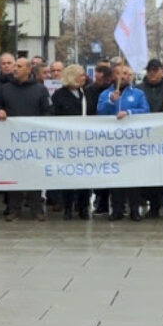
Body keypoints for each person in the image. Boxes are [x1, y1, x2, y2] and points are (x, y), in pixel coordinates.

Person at [0, 57, 52, 221]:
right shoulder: (5, 89)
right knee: (14, 174)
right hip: (11, 139)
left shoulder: (40, 89)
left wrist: (38, 124)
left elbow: (48, 111)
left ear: (28, 70)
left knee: (34, 173)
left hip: (33, 140)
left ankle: (37, 209)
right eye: (15, 66)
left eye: (19, 66)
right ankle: (13, 209)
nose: (15, 69)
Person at [98, 64, 150, 221]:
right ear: (114, 76)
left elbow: (146, 111)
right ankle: (117, 209)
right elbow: (100, 113)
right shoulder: (106, 94)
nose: (124, 76)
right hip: (113, 143)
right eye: (121, 73)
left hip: (133, 142)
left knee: (133, 176)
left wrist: (129, 112)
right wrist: (111, 102)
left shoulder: (139, 94)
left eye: (128, 73)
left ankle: (135, 209)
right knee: (116, 177)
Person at [51, 64, 90, 220]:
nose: (84, 77)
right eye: (81, 75)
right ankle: (67, 207)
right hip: (67, 142)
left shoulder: (86, 93)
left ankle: (83, 207)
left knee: (85, 176)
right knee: (68, 176)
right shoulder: (59, 95)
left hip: (85, 142)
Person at [137, 59, 163, 219]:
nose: (152, 73)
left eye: (155, 70)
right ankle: (153, 206)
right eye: (149, 70)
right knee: (150, 173)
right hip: (146, 137)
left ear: (162, 71)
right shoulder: (139, 89)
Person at [84, 64, 113, 215]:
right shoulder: (89, 90)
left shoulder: (113, 90)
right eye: (96, 77)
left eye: (100, 78)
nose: (97, 80)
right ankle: (100, 199)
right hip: (94, 133)